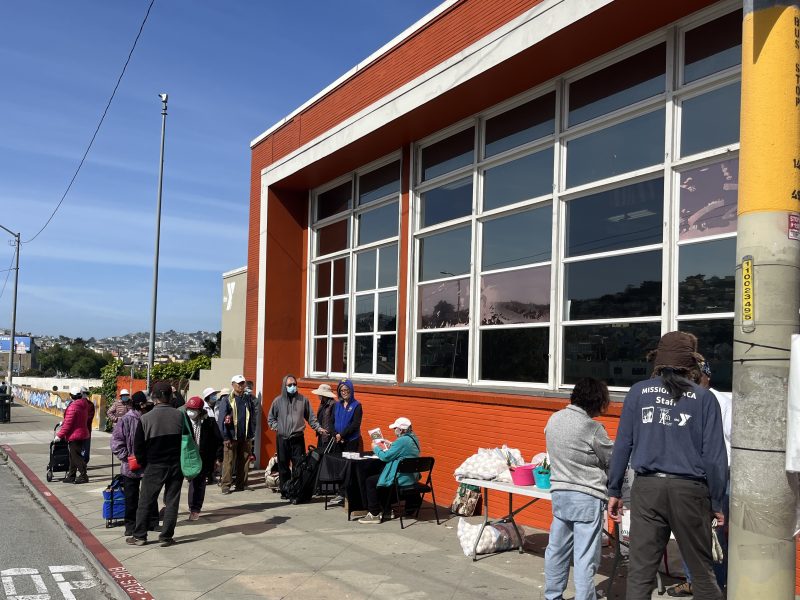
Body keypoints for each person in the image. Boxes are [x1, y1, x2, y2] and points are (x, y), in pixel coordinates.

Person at [607, 331, 727, 600]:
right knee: (702, 573)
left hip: (647, 490)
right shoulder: (705, 398)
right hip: (691, 492)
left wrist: (614, 490)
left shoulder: (638, 392)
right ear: (691, 363)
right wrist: (717, 503)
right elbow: (715, 457)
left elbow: (623, 445)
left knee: (640, 575)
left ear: (658, 360)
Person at [543, 378, 614, 600]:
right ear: (597, 401)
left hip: (560, 494)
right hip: (586, 497)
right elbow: (612, 458)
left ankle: (552, 595)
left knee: (557, 549)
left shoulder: (554, 419)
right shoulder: (592, 428)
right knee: (585, 556)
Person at [667, 361, 732, 597]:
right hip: (689, 477)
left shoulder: (721, 402)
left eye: (698, 376)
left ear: (707, 377)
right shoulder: (685, 399)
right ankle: (692, 580)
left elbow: (729, 443)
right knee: (686, 533)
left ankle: (719, 586)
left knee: (715, 536)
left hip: (716, 478)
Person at [127, 381, 184, 547]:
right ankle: (166, 537)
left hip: (154, 465)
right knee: (172, 501)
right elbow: (188, 441)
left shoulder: (145, 418)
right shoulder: (180, 415)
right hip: (175, 465)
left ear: (155, 398)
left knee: (145, 501)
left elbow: (138, 447)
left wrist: (145, 465)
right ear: (170, 396)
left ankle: (139, 536)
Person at [267, 374, 327, 499]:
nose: (293, 387)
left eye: (294, 384)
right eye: (290, 385)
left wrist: (318, 428)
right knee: (283, 466)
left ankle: (296, 490)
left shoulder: (303, 400)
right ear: (284, 386)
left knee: (299, 466)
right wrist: (277, 427)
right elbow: (271, 418)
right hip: (282, 438)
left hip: (297, 437)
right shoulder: (278, 401)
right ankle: (285, 491)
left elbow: (311, 418)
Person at [110, 391, 158, 536]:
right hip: (130, 467)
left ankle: (152, 522)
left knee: (150, 495)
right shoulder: (126, 420)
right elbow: (116, 442)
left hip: (148, 464)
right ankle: (130, 525)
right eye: (146, 403)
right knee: (131, 498)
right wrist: (127, 457)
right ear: (141, 405)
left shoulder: (149, 418)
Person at [359, 417, 420, 524]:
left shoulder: (402, 440)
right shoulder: (414, 438)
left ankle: (374, 514)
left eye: (395, 428)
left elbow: (386, 457)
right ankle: (387, 510)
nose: (394, 430)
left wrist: (375, 448)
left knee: (371, 481)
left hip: (401, 477)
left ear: (401, 430)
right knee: (380, 478)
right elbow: (405, 450)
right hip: (410, 476)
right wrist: (391, 444)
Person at [181, 396, 222, 520]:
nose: (190, 412)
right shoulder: (182, 420)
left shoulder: (209, 422)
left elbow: (218, 440)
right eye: (189, 409)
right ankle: (169, 506)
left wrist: (218, 458)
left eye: (194, 410)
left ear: (200, 410)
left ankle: (195, 508)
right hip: (185, 456)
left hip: (202, 457)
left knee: (198, 483)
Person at [217, 374, 258, 494]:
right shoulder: (227, 400)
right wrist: (225, 437)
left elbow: (252, 418)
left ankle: (241, 484)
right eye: (239, 383)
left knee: (244, 461)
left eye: (243, 383)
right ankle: (226, 486)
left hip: (245, 437)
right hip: (230, 437)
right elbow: (221, 420)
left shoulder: (248, 399)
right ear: (233, 385)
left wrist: (251, 433)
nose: (241, 386)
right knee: (228, 462)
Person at [327, 379, 363, 507]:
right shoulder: (337, 405)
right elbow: (330, 422)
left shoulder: (357, 406)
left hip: (351, 442)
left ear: (351, 390)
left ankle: (349, 493)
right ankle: (341, 493)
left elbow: (355, 424)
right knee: (340, 468)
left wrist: (342, 435)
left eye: (346, 390)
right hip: (338, 441)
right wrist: (335, 434)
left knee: (350, 468)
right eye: (342, 390)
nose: (344, 393)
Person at [55, 386, 90, 484]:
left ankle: (83, 476)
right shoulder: (84, 404)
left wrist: (59, 435)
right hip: (82, 433)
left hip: (75, 435)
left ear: (72, 396)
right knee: (72, 456)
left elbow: (68, 425)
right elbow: (73, 420)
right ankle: (71, 475)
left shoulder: (73, 407)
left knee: (76, 456)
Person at [312, 383, 336, 450]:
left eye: (319, 394)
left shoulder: (333, 404)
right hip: (321, 434)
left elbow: (333, 421)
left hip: (328, 436)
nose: (318, 395)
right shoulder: (323, 403)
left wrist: (329, 433)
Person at [80, 386, 95, 464]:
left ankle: (84, 463)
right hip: (76, 431)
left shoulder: (90, 405)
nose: (84, 395)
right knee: (76, 449)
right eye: (83, 393)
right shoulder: (75, 404)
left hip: (86, 431)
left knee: (86, 449)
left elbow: (90, 418)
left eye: (85, 393)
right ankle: (77, 463)